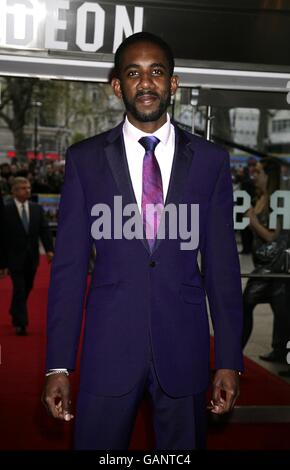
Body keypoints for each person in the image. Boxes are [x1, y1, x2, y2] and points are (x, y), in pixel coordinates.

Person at [42, 32, 243, 450]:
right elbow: (69, 269)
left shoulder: (210, 161)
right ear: (118, 85)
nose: (146, 83)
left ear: (173, 82)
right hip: (108, 349)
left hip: (184, 350)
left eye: (157, 72)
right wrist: (57, 366)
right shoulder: (85, 159)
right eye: (134, 73)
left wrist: (228, 360)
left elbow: (222, 269)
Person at [242, 158, 290, 362]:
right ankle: (280, 349)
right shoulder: (262, 197)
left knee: (246, 305)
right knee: (282, 310)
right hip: (264, 264)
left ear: (269, 176)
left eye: (259, 172)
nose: (254, 175)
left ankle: (233, 354)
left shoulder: (277, 200)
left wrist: (252, 221)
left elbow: (272, 236)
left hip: (273, 266)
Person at [3, 177, 54, 335]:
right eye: (24, 188)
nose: (28, 190)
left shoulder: (37, 209)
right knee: (19, 288)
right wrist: (2, 263)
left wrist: (49, 250)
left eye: (29, 188)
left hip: (32, 257)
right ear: (14, 192)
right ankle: (21, 323)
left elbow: (44, 231)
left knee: (28, 286)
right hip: (13, 258)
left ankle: (14, 309)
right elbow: (1, 238)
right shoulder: (5, 210)